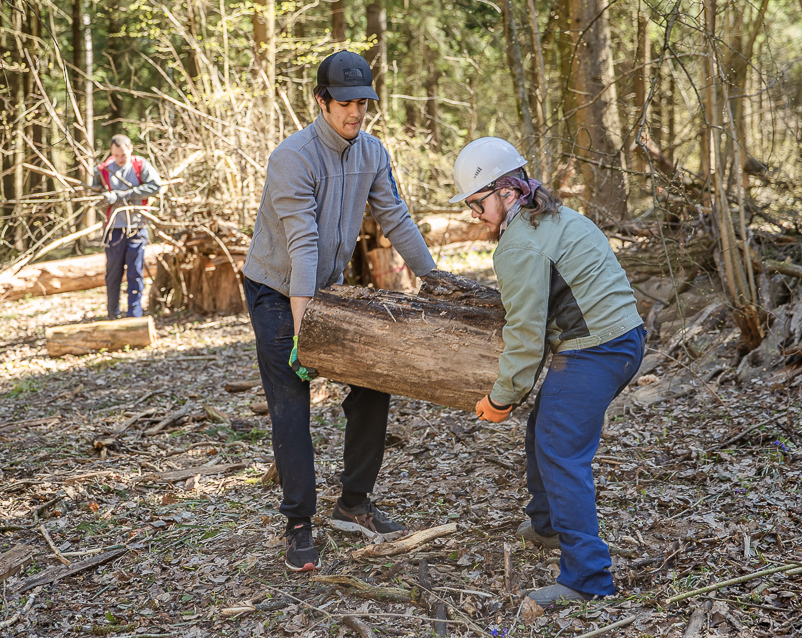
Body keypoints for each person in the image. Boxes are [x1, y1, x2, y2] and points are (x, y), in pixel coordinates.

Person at [243, 50, 438, 572]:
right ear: (321, 101)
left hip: (325, 286)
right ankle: (299, 524)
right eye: (346, 103)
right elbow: (302, 244)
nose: (356, 112)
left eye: (364, 103)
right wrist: (304, 333)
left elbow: (395, 216)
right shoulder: (293, 158)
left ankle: (353, 503)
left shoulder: (372, 151)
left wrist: (439, 282)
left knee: (375, 382)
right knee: (291, 400)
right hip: (275, 289)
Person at [450, 137, 645, 606]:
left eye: (478, 203)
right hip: (621, 337)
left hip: (595, 348)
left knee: (560, 450)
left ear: (508, 191)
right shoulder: (552, 213)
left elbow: (525, 334)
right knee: (545, 428)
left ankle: (586, 579)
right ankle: (547, 525)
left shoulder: (519, 244)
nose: (475, 214)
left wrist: (502, 397)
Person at [93, 135, 162, 319]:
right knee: (113, 273)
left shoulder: (141, 166)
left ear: (130, 149)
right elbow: (94, 198)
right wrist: (104, 198)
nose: (120, 159)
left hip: (137, 226)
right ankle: (112, 314)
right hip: (113, 229)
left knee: (135, 272)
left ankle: (134, 315)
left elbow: (156, 186)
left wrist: (126, 194)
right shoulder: (102, 170)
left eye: (123, 154)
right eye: (116, 156)